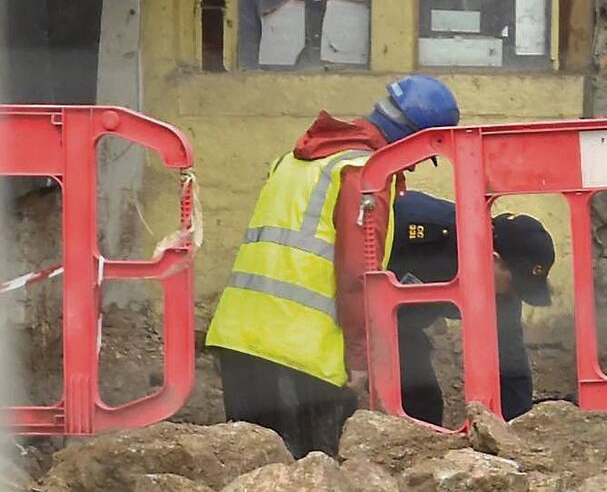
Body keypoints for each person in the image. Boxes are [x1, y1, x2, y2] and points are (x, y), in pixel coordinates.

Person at [205, 75, 460, 458]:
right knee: (310, 485)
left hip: (241, 339)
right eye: (425, 154)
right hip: (301, 358)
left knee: (250, 477)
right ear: (413, 138)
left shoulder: (298, 160)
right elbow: (358, 273)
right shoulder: (363, 173)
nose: (419, 165)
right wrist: (359, 358)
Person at [388, 191, 555, 427]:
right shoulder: (423, 232)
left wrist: (515, 432)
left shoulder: (501, 287)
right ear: (494, 259)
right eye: (517, 285)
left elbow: (510, 361)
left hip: (403, 327)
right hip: (348, 314)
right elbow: (353, 278)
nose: (514, 295)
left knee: (423, 401)